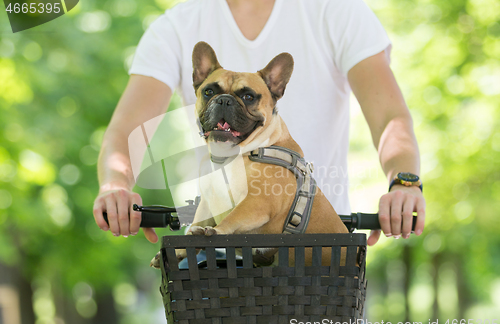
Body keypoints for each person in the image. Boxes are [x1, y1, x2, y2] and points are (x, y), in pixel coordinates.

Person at [93, 0, 426, 246]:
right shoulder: (174, 28)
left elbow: (389, 117)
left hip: (317, 249)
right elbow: (127, 129)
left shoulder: (338, 12)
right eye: (212, 93)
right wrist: (115, 186)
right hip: (215, 249)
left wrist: (404, 182)